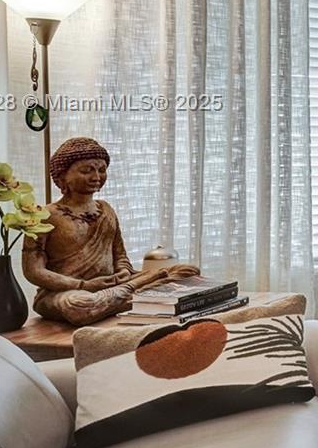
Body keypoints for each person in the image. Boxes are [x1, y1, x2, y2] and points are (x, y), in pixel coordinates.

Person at [21, 137, 200, 325]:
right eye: (86, 170)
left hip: (113, 283)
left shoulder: (105, 209)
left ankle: (126, 294)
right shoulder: (43, 215)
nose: (96, 177)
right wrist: (84, 285)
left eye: (101, 170)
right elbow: (34, 271)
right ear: (62, 176)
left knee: (188, 272)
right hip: (67, 293)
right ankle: (136, 295)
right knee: (80, 305)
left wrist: (123, 271)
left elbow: (119, 255)